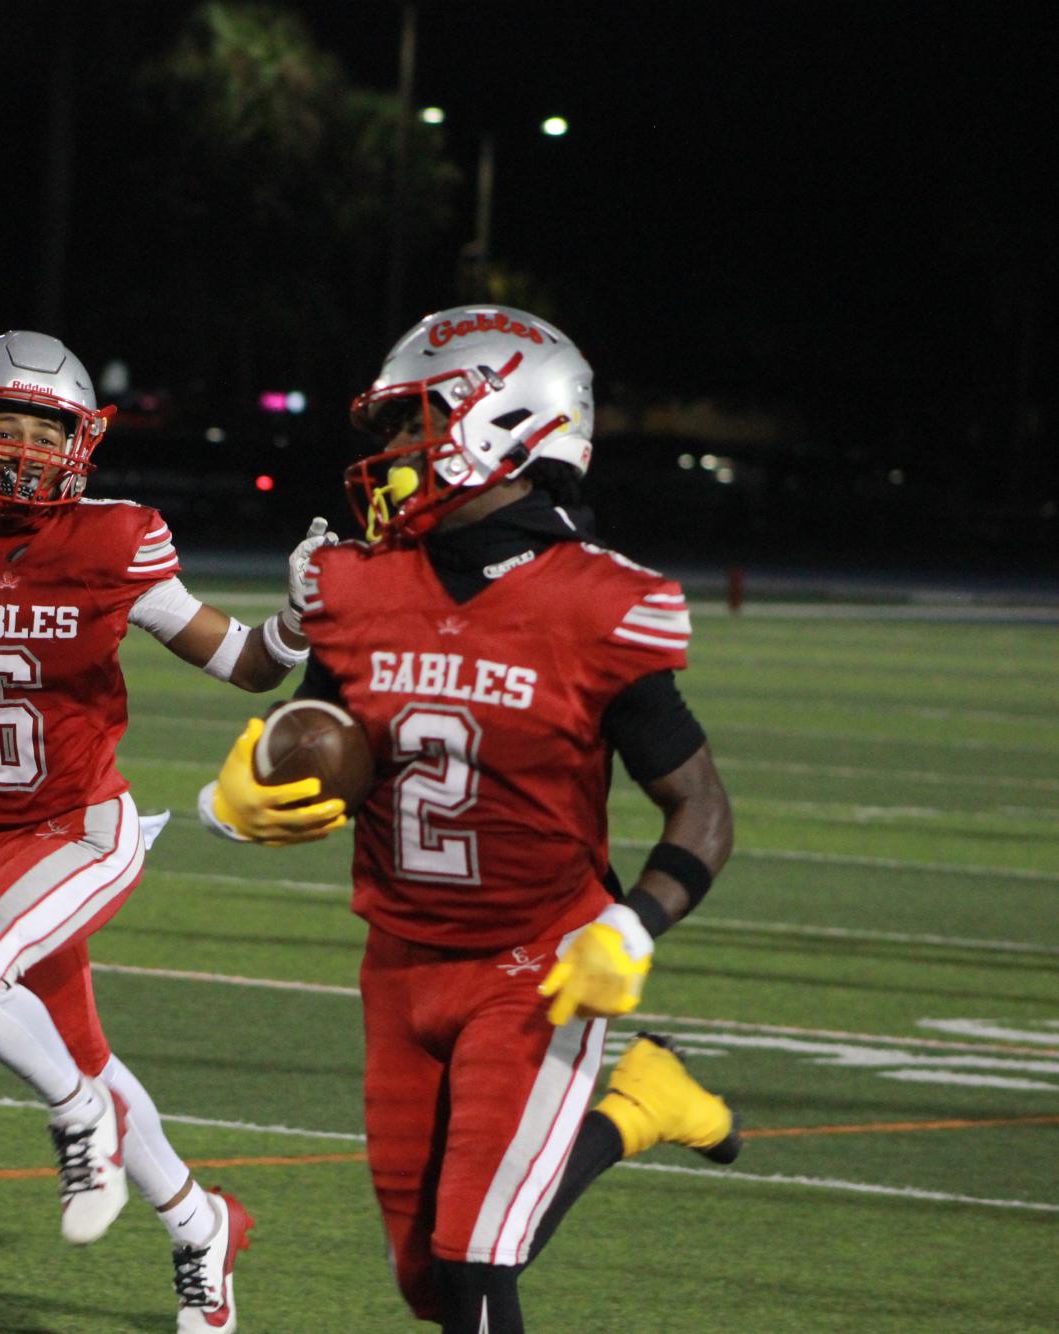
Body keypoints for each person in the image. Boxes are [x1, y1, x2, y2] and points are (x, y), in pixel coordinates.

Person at [200, 305, 742, 1333]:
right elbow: (323, 735)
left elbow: (699, 805)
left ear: (505, 423)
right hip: (398, 962)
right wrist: (239, 792)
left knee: (473, 1267)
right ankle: (641, 1107)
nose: (394, 454)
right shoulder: (355, 585)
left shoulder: (596, 602)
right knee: (427, 1276)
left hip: (537, 965)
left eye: (415, 424)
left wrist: (630, 927)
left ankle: (626, 1094)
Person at [0, 330, 314, 1333]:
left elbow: (246, 664)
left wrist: (296, 620)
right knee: (85, 1048)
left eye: (46, 429)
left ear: (80, 440)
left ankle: (75, 1118)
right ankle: (199, 1224)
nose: (24, 446)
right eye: (4, 420)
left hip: (85, 826)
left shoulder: (116, 537)